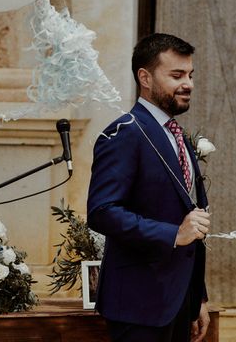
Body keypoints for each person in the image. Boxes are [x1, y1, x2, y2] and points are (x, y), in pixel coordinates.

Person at [87, 33, 211, 342]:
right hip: (138, 305)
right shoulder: (123, 133)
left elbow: (191, 216)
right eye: (177, 75)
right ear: (145, 77)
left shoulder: (177, 134)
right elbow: (102, 212)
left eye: (191, 75)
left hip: (180, 302)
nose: (189, 84)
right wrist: (173, 235)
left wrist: (199, 298)